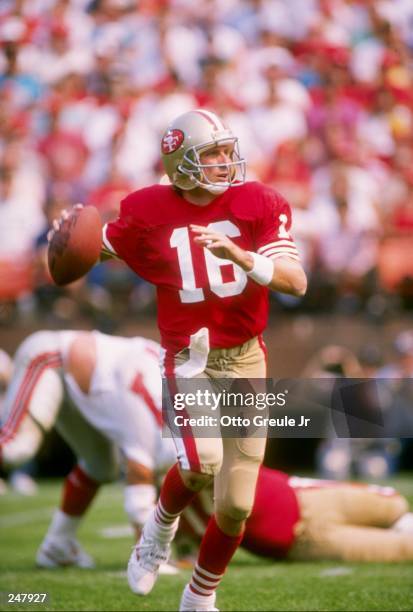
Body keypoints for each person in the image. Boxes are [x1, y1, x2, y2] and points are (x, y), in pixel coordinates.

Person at [50, 108, 307, 612]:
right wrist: (63, 242)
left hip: (247, 360)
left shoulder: (257, 202)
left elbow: (295, 280)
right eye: (211, 153)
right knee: (200, 462)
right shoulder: (148, 211)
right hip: (189, 358)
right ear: (181, 163)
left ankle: (199, 597)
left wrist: (243, 257)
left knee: (236, 505)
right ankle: (156, 532)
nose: (225, 161)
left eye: (226, 150)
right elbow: (96, 248)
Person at [0, 330, 176, 567]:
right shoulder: (163, 425)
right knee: (15, 448)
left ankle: (57, 545)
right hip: (50, 356)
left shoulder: (173, 392)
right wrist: (151, 559)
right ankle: (145, 558)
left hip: (84, 377)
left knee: (101, 466)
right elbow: (139, 473)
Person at [179, 465, 413, 563]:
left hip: (309, 498)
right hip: (304, 541)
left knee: (395, 504)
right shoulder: (182, 511)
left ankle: (401, 524)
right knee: (404, 550)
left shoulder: (215, 442)